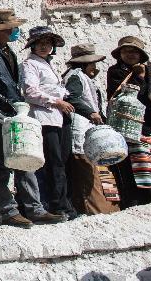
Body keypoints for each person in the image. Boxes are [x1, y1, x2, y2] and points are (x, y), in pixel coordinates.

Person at [0, 9, 63, 227]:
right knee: (0, 161)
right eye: (12, 27)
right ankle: (9, 211)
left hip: (11, 111)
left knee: (24, 155)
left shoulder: (7, 52)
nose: (15, 31)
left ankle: (34, 208)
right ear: (1, 29)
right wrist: (0, 100)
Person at [22, 26, 77, 220]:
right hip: (43, 118)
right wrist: (56, 101)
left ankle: (62, 203)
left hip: (56, 118)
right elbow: (30, 92)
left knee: (59, 161)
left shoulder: (46, 64)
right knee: (53, 163)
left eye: (48, 43)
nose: (45, 47)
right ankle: (57, 205)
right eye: (40, 43)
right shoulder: (30, 64)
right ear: (33, 45)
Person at [106, 36, 151, 208]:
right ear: (120, 54)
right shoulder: (115, 72)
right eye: (126, 51)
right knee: (133, 166)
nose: (130, 54)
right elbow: (127, 97)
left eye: (134, 51)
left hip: (148, 125)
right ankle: (135, 202)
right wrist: (139, 77)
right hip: (127, 127)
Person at [63, 44, 119, 215]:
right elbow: (71, 98)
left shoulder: (85, 78)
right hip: (81, 135)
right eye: (92, 63)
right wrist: (91, 113)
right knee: (90, 178)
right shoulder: (74, 76)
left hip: (93, 136)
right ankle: (97, 212)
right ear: (85, 64)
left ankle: (112, 209)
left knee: (103, 173)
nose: (95, 67)